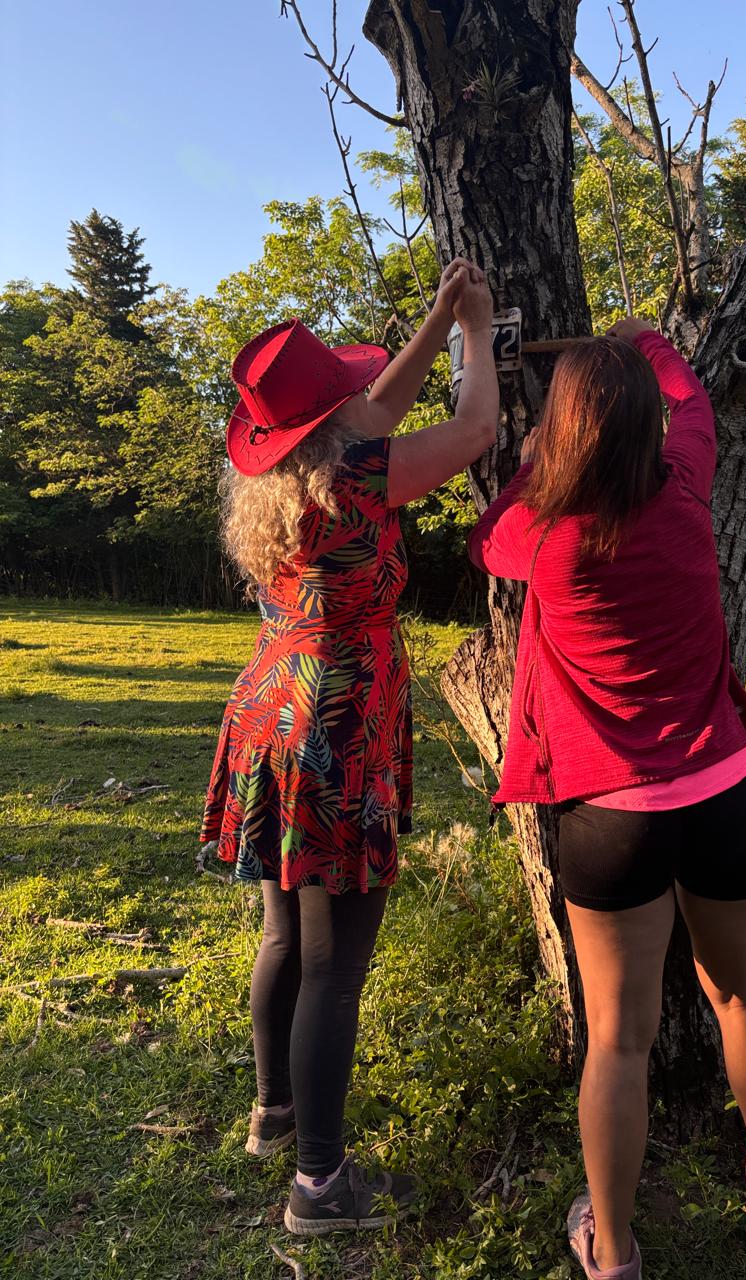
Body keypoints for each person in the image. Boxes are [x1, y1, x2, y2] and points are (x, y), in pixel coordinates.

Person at [467, 316, 746, 1277]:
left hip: (611, 818)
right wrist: (650, 343)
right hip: (726, 794)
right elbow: (697, 402)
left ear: (564, 434)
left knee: (617, 1039)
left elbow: (487, 536)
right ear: (646, 433)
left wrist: (534, 461)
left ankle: (611, 1251)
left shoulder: (543, 538)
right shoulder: (688, 490)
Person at [200, 259, 497, 1236]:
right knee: (336, 964)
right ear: (328, 420)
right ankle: (321, 1187)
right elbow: (476, 430)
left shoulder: (286, 477)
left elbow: (372, 408)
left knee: (288, 933)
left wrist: (437, 318)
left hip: (274, 706)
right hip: (338, 724)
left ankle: (275, 1114)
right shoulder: (357, 475)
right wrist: (479, 338)